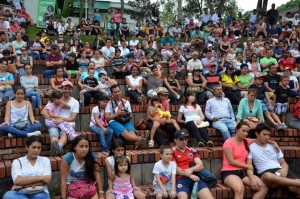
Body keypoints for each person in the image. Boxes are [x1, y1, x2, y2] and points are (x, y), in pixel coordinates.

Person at [247, 123, 300, 196]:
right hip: (266, 173)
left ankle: (294, 183)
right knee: (267, 176)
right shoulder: (251, 147)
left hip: (280, 171)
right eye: (264, 134)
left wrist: (284, 169)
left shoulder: (274, 146)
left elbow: (284, 163)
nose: (267, 137)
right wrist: (251, 178)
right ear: (257, 133)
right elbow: (249, 166)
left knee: (297, 189)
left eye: (268, 135)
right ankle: (297, 182)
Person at [221, 122, 269, 199]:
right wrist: (247, 166)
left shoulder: (246, 141)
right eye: (243, 131)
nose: (245, 133)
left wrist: (274, 143)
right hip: (229, 172)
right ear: (237, 130)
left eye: (247, 131)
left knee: (263, 187)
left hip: (243, 173)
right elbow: (231, 161)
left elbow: (261, 139)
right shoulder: (228, 142)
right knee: (239, 189)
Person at [172, 130, 214, 199]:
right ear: (175, 140)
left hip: (196, 178)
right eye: (181, 139)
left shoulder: (192, 150)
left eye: (186, 139)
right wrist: (189, 175)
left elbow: (200, 165)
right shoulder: (172, 152)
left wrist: (191, 169)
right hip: (181, 179)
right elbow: (175, 169)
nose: (184, 142)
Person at [41, 81, 79, 156]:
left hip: (66, 123)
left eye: (69, 89)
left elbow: (73, 118)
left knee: (64, 133)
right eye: (65, 88)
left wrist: (62, 120)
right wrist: (53, 120)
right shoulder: (54, 100)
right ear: (61, 89)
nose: (67, 90)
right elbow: (43, 112)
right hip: (54, 123)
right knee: (53, 133)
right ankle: (57, 148)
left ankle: (57, 148)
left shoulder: (75, 102)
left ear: (72, 90)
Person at [105, 84, 146, 149]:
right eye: (115, 92)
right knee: (126, 133)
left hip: (125, 120)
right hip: (114, 121)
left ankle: (136, 143)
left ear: (121, 91)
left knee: (132, 132)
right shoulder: (109, 103)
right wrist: (116, 114)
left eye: (118, 91)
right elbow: (106, 117)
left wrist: (125, 114)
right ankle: (139, 138)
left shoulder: (126, 102)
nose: (117, 93)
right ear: (112, 94)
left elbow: (130, 115)